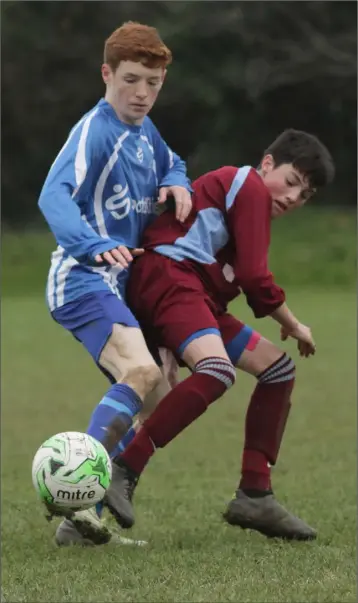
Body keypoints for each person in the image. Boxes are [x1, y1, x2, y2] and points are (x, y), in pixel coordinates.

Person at [103, 129, 335, 541]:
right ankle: (125, 469)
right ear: (267, 164)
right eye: (293, 181)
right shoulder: (249, 186)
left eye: (305, 194)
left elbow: (235, 276)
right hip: (171, 278)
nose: (293, 198)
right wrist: (292, 323)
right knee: (216, 371)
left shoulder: (245, 198)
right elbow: (254, 278)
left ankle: (255, 492)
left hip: (195, 295)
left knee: (277, 369)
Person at [38, 21, 192, 547]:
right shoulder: (96, 129)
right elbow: (53, 197)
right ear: (106, 74)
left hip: (116, 284)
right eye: (131, 80)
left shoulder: (144, 132)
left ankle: (78, 521)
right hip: (82, 277)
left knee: (158, 400)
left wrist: (176, 181)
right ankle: (69, 491)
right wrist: (90, 243)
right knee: (142, 370)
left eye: (154, 83)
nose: (143, 94)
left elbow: (174, 163)